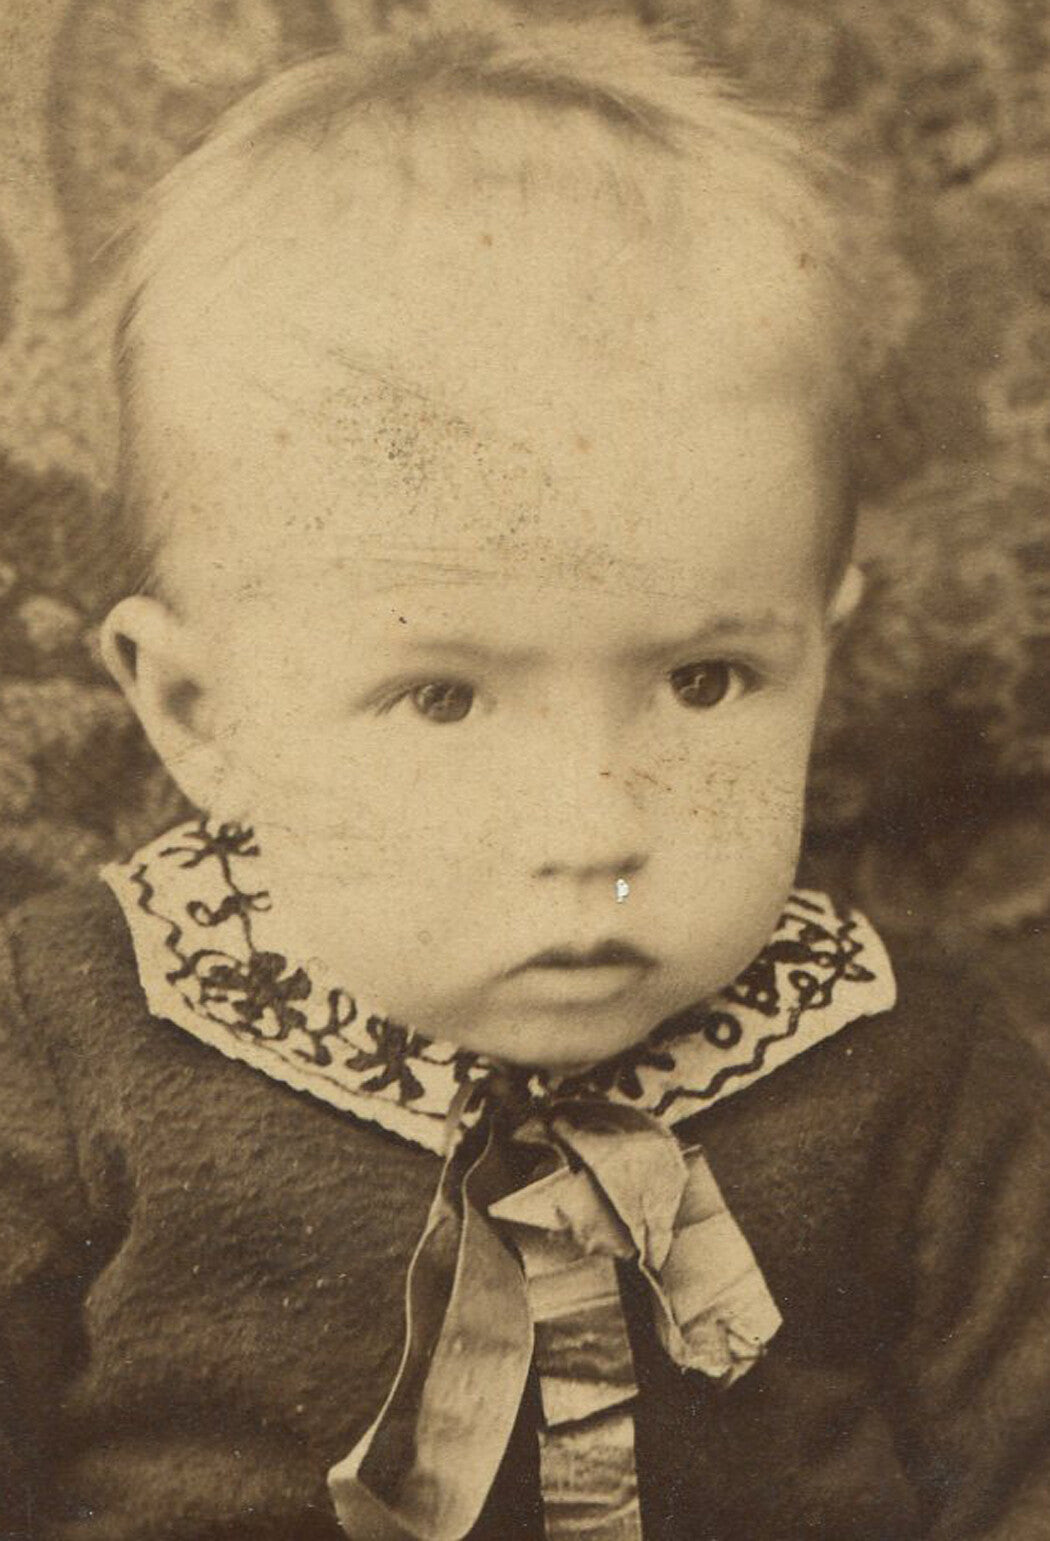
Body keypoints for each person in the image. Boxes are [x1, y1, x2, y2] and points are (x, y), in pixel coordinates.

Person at [2, 12, 1049, 1540]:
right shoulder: (69, 1036)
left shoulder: (919, 1072)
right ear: (193, 712)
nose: (592, 825)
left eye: (705, 678)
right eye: (439, 696)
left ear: (822, 652)